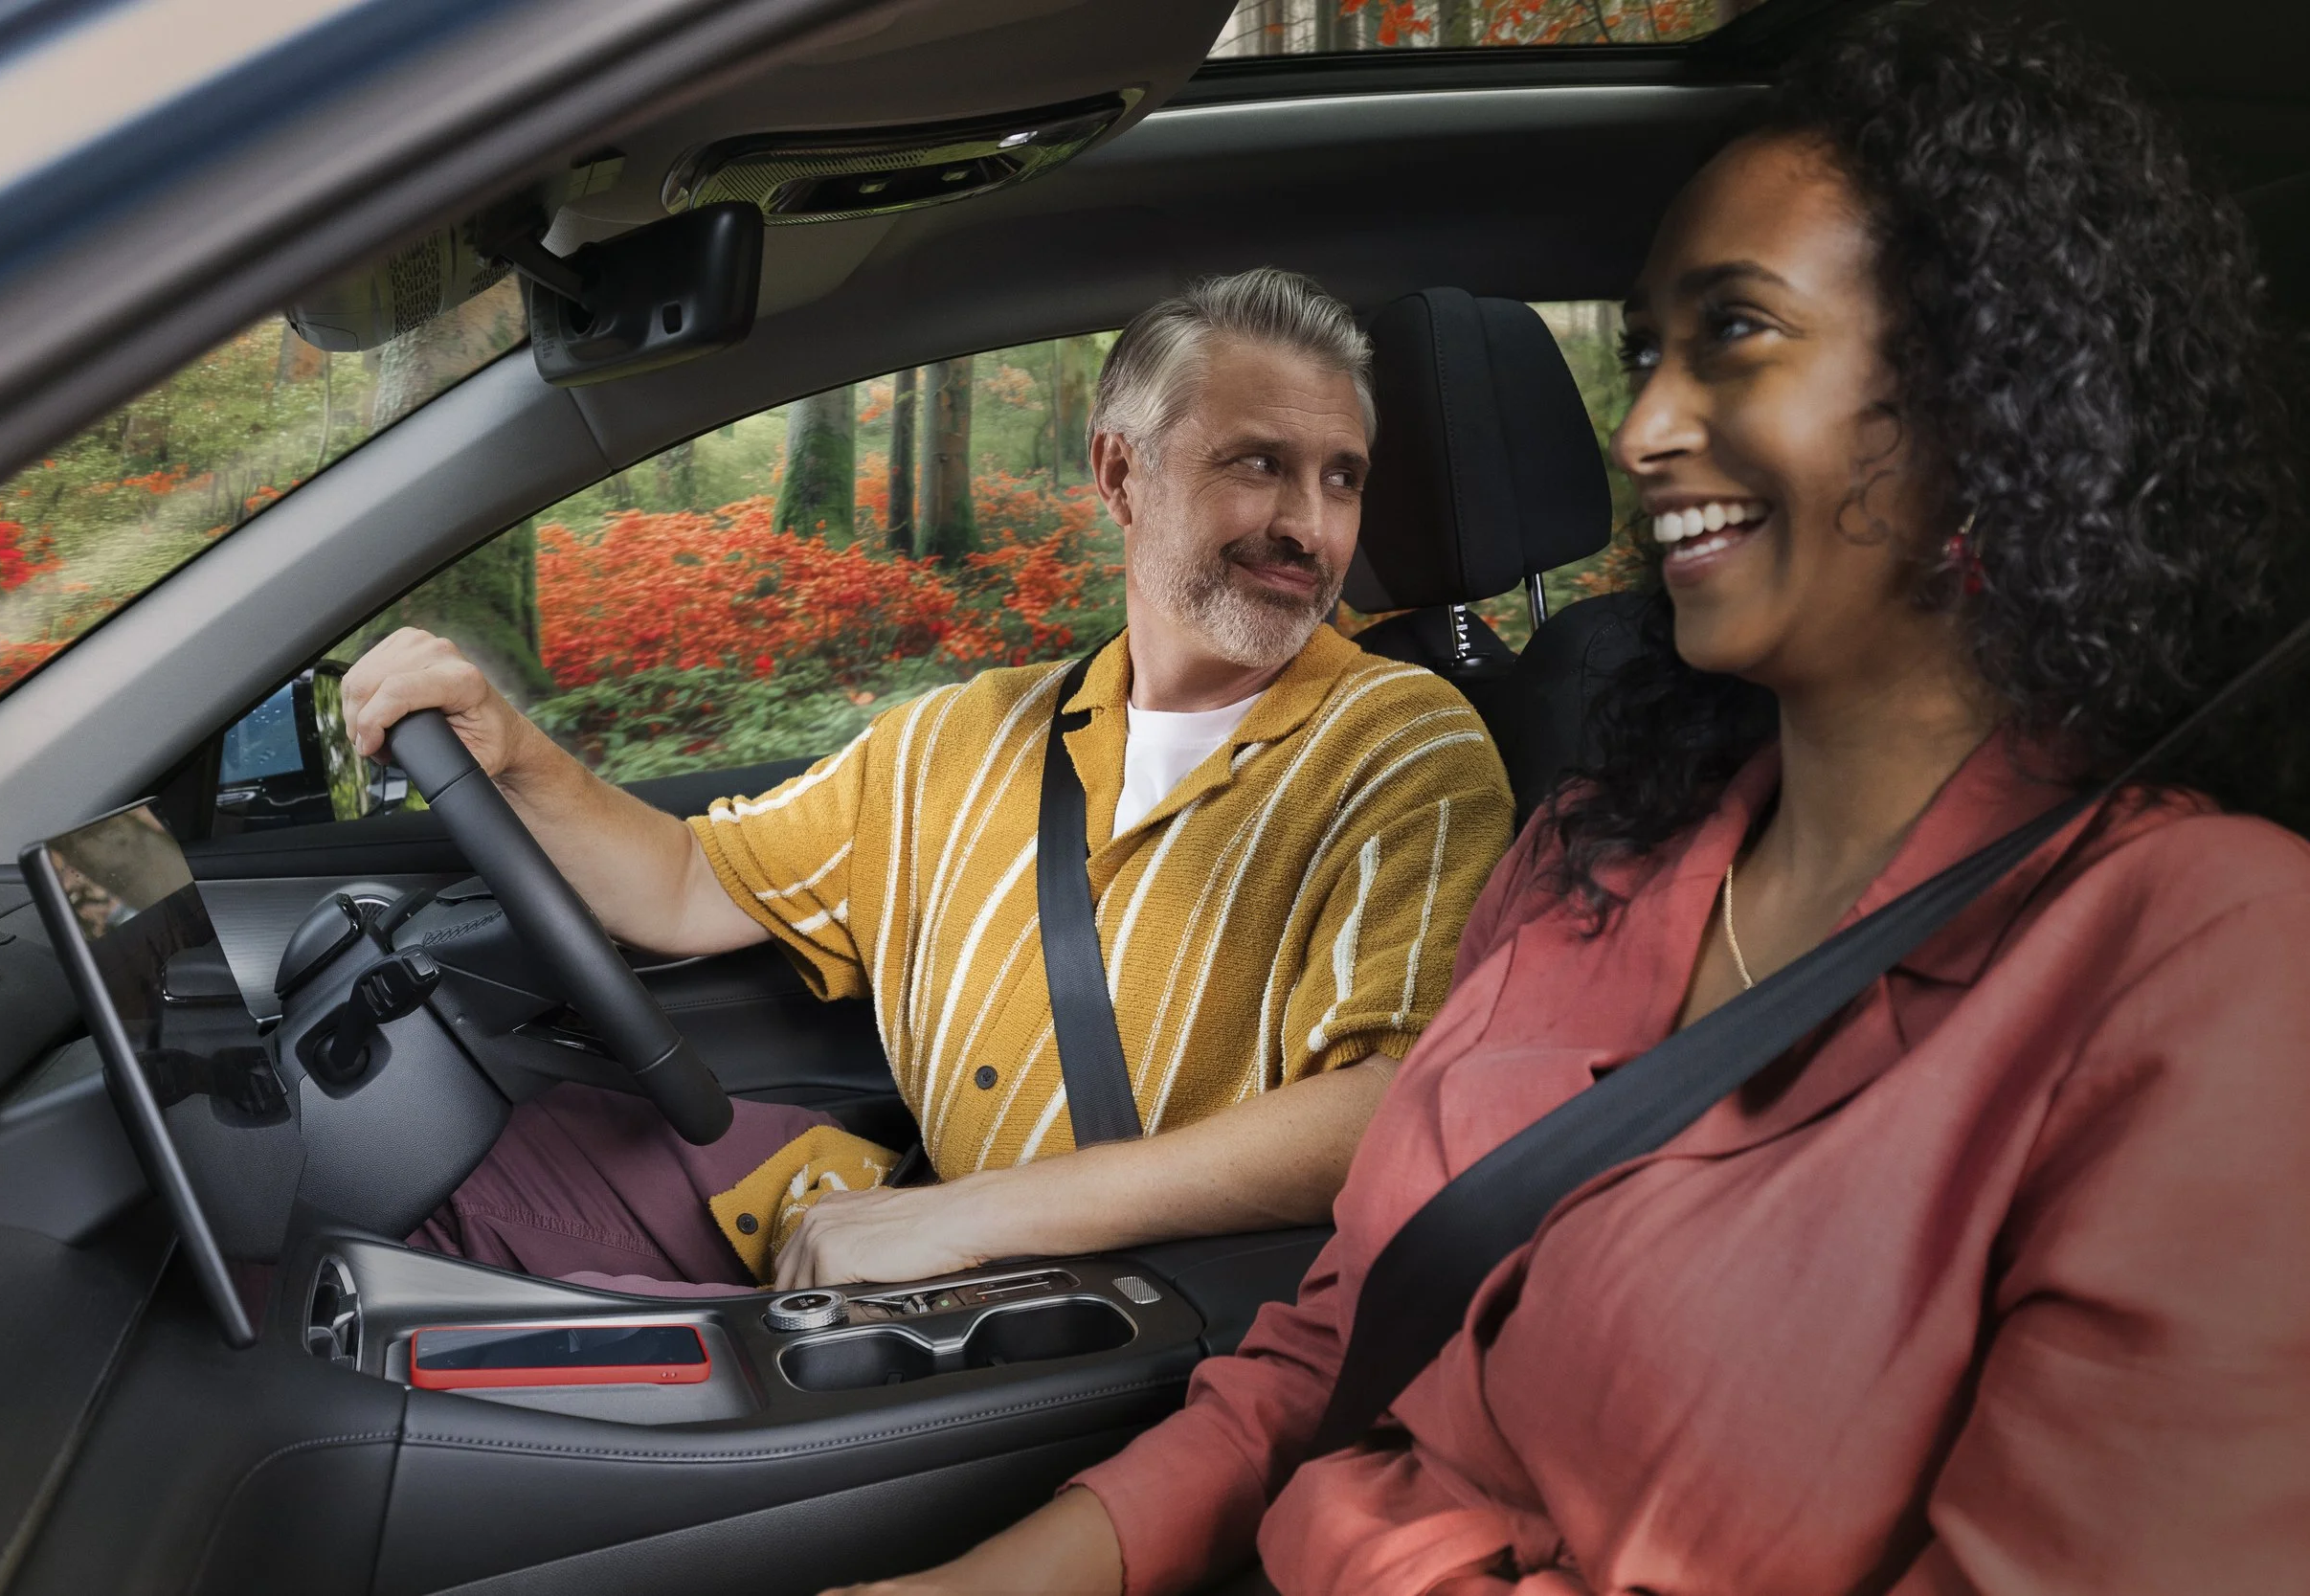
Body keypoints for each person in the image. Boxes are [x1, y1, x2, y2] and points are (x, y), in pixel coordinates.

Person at [841, 11, 2310, 1593]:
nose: (1643, 428)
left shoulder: (2212, 961)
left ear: (1985, 402)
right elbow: (1326, 1351)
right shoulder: (1598, 844)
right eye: (1644, 351)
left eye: (1735, 333)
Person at [343, 267, 1514, 1294]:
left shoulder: (1402, 745)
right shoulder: (962, 733)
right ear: (1122, 472)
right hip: (922, 1243)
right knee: (460, 1187)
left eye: (1341, 477)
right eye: (1259, 464)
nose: (1308, 525)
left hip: (1127, 1314)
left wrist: (962, 1218)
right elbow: (688, 882)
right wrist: (510, 747)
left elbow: (1388, 1104)